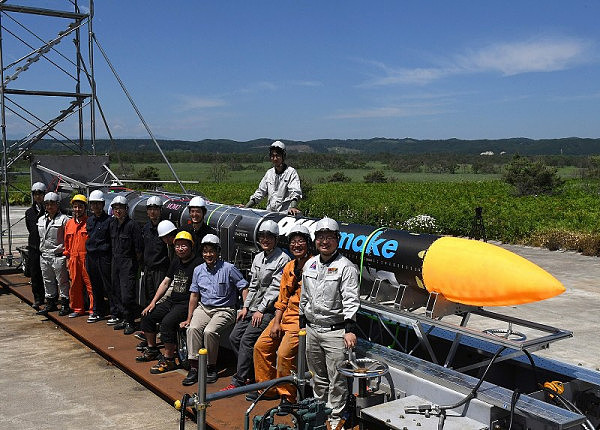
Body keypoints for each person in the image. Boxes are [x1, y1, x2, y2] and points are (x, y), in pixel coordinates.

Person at [299, 217, 360, 429]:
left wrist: (350, 329)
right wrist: (301, 325)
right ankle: (319, 412)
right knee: (318, 377)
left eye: (329, 238)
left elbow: (351, 300)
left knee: (337, 380)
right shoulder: (310, 264)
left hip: (335, 332)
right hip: (312, 329)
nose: (325, 242)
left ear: (337, 240)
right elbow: (304, 296)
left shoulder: (346, 267)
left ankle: (335, 419)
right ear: (316, 241)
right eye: (321, 237)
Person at [222, 220, 290, 391]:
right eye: (262, 236)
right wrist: (245, 307)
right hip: (253, 307)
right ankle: (251, 372)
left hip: (269, 310)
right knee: (234, 337)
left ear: (276, 239)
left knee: (246, 340)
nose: (265, 240)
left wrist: (260, 310)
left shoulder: (283, 259)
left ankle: (240, 378)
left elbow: (275, 288)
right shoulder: (258, 257)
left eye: (269, 237)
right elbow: (253, 285)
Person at [250, 224, 313, 402]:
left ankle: (288, 395)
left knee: (283, 355)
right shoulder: (290, 266)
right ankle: (267, 390)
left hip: (301, 321)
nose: (297, 245)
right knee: (260, 347)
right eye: (293, 242)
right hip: (284, 316)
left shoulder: (314, 266)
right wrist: (276, 322)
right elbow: (282, 299)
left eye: (301, 241)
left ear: (308, 244)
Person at [180, 234, 248, 386]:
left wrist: (245, 307)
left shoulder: (229, 268)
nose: (208, 255)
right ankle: (194, 367)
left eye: (211, 251)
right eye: (205, 251)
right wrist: (189, 318)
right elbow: (194, 295)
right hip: (204, 308)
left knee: (210, 331)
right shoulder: (198, 270)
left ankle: (211, 367)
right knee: (193, 329)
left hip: (225, 309)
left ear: (218, 251)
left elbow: (243, 287)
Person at [136, 231, 203, 374]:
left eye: (184, 246)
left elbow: (196, 292)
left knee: (167, 323)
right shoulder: (175, 262)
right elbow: (166, 282)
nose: (180, 249)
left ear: (191, 246)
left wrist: (190, 316)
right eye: (177, 246)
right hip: (172, 301)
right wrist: (153, 302)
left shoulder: (198, 264)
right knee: (148, 315)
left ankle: (169, 359)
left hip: (185, 304)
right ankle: (152, 349)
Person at [109, 195, 143, 335]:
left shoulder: (132, 225)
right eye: (115, 209)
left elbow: (139, 249)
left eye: (120, 208)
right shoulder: (112, 225)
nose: (118, 211)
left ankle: (130, 321)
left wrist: (134, 265)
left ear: (126, 209)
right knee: (116, 291)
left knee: (127, 294)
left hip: (128, 262)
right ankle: (123, 318)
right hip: (115, 261)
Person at [242, 141, 302, 215]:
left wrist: (293, 207)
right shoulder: (269, 173)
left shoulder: (291, 172)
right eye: (272, 156)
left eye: (277, 156)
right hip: (269, 214)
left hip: (285, 215)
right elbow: (260, 193)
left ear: (283, 156)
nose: (275, 159)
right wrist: (245, 208)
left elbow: (295, 192)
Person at [36, 191, 70, 316]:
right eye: (47, 204)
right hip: (44, 255)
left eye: (52, 204)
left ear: (58, 205)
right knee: (47, 280)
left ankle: (65, 304)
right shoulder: (41, 219)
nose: (50, 207)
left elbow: (68, 238)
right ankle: (50, 303)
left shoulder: (64, 220)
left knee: (62, 282)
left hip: (58, 256)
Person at [64, 194, 94, 318]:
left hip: (86, 258)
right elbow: (66, 243)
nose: (77, 209)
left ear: (85, 208)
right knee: (75, 284)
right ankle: (77, 309)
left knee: (90, 285)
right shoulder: (69, 224)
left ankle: (93, 310)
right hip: (73, 258)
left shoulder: (90, 222)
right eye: (75, 207)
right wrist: (67, 258)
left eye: (80, 207)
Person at [85, 190, 112, 323]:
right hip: (91, 257)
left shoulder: (109, 221)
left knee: (108, 285)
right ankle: (97, 311)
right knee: (95, 285)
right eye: (93, 204)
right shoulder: (89, 220)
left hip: (104, 256)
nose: (95, 206)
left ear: (103, 204)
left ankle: (114, 311)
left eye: (98, 204)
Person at [140, 196, 169, 308]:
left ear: (160, 211)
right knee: (148, 296)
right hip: (148, 269)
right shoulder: (146, 228)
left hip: (160, 270)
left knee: (160, 297)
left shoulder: (166, 227)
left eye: (156, 209)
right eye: (150, 209)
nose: (153, 212)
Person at [25, 182, 46, 311]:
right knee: (35, 273)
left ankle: (51, 298)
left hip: (46, 247)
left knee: (48, 275)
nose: (37, 196)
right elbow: (30, 228)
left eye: (40, 194)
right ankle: (38, 298)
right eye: (35, 194)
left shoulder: (49, 210)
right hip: (33, 247)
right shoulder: (29, 212)